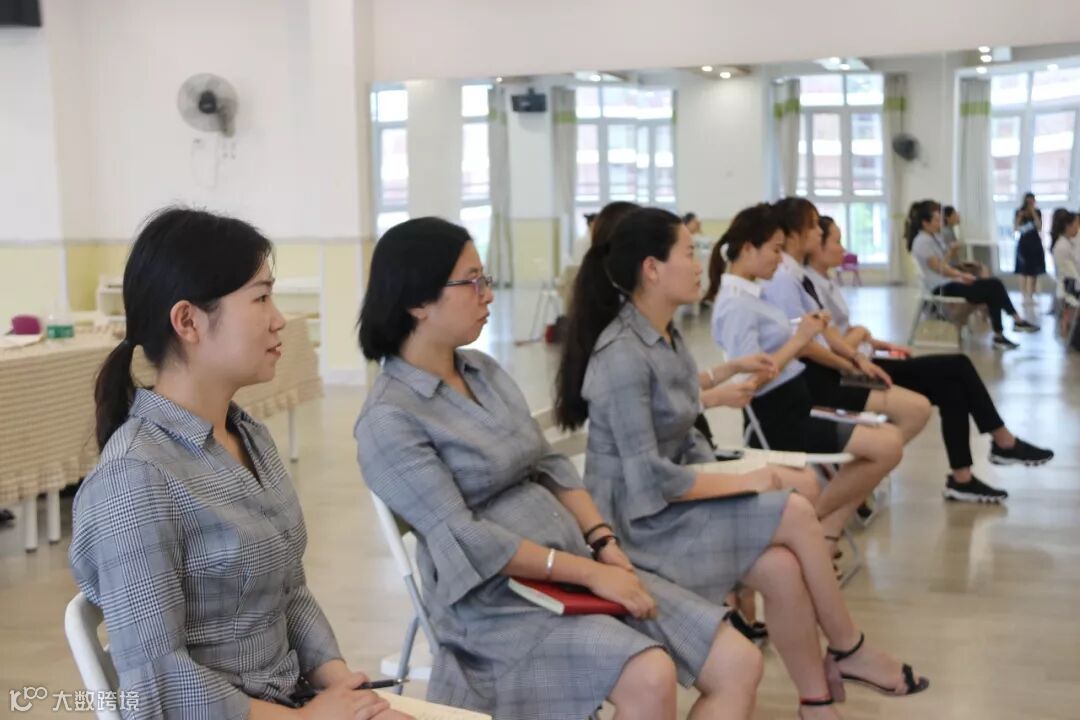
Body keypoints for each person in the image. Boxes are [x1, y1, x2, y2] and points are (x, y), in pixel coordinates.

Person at [355, 217, 764, 720]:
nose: (488, 294)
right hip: (496, 609)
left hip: (572, 565)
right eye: (472, 281)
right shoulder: (389, 418)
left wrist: (603, 542)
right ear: (417, 302)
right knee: (650, 674)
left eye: (486, 278)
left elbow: (549, 464)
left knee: (738, 662)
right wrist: (590, 572)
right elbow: (467, 538)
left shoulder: (483, 371)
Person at [557, 206, 928, 717]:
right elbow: (650, 481)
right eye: (689, 253)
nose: (701, 264)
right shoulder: (621, 354)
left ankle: (817, 702)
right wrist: (748, 480)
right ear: (652, 269)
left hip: (667, 506)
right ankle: (849, 648)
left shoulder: (662, 334)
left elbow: (679, 412)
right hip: (638, 526)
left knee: (782, 566)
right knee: (794, 507)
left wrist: (733, 454)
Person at [69, 208, 405, 720]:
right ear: (188, 321)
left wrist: (342, 684)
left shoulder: (247, 435)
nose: (279, 319)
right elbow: (158, 682)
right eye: (261, 297)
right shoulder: (134, 477)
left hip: (292, 701)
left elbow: (289, 590)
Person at [807, 215, 1054, 503]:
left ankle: (963, 478)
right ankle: (1002, 441)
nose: (843, 248)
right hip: (853, 370)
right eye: (836, 241)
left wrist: (873, 341)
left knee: (953, 387)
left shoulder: (825, 281)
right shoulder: (810, 285)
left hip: (864, 358)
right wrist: (860, 334)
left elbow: (840, 333)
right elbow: (826, 346)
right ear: (816, 246)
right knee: (958, 365)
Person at [761, 197, 932, 446]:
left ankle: (861, 462)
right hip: (812, 378)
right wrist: (849, 365)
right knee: (913, 413)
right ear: (795, 234)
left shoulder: (797, 276)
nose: (819, 231)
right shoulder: (784, 279)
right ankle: (855, 465)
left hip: (826, 369)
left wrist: (857, 358)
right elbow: (804, 345)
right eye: (813, 225)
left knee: (916, 409)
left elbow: (826, 331)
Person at [908, 199, 1039, 349]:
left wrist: (955, 261)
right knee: (994, 286)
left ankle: (1006, 329)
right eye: (936, 221)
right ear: (925, 223)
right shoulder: (922, 242)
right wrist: (961, 276)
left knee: (993, 287)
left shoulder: (932, 237)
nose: (940, 224)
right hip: (941, 287)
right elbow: (940, 268)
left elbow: (943, 263)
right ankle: (1011, 325)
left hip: (948, 282)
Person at [1050, 208, 1080, 336]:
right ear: (1068, 226)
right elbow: (1071, 276)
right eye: (1075, 225)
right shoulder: (1062, 246)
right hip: (1070, 289)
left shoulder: (1067, 243)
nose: (1077, 228)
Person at [1014, 192, 1045, 302]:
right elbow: (1016, 229)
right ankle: (1024, 295)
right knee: (1023, 270)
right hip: (1024, 243)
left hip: (1035, 242)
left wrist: (1033, 213)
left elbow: (1039, 227)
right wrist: (1020, 216)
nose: (1031, 203)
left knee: (1034, 270)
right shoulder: (1019, 212)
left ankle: (1031, 294)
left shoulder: (1037, 212)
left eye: (1032, 201)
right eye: (1029, 201)